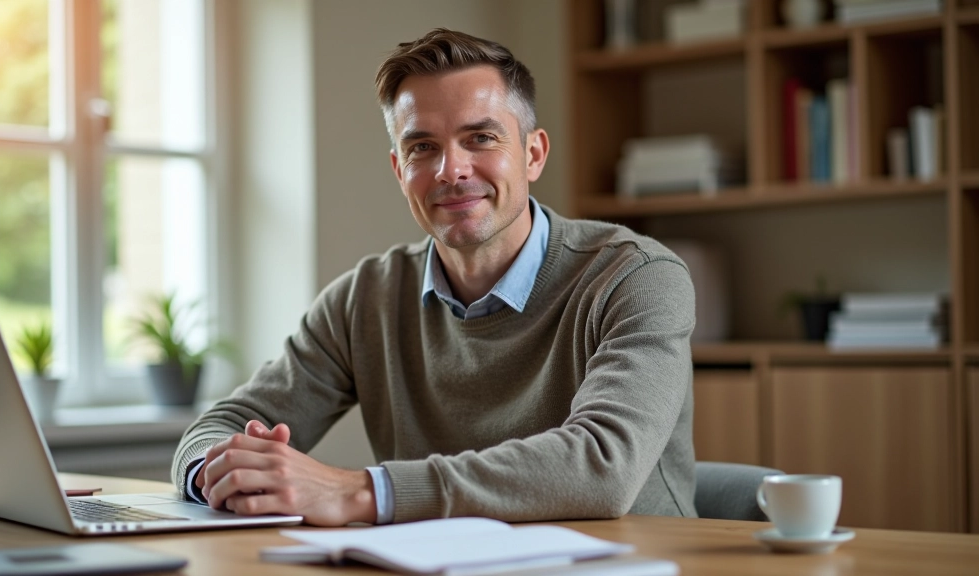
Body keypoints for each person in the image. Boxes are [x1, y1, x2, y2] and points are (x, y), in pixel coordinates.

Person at [172, 28, 696, 527]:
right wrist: (221, 472)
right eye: (422, 147)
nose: (451, 170)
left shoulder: (637, 278)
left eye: (481, 138)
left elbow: (603, 465)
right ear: (400, 171)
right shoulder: (365, 299)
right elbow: (217, 429)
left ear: (532, 154)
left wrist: (362, 491)